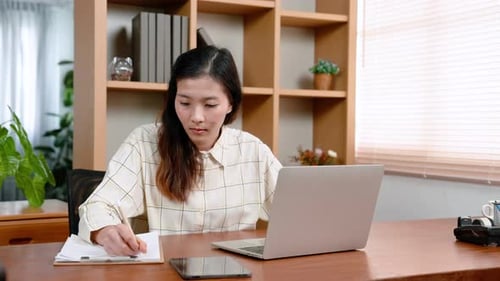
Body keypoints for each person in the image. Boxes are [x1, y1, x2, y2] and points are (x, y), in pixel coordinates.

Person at [78, 46, 283, 256]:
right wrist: (105, 231)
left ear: (231, 104)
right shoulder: (144, 143)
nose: (196, 117)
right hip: (162, 273)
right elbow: (97, 206)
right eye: (185, 102)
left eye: (210, 105)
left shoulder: (253, 151)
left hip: (236, 272)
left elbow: (297, 213)